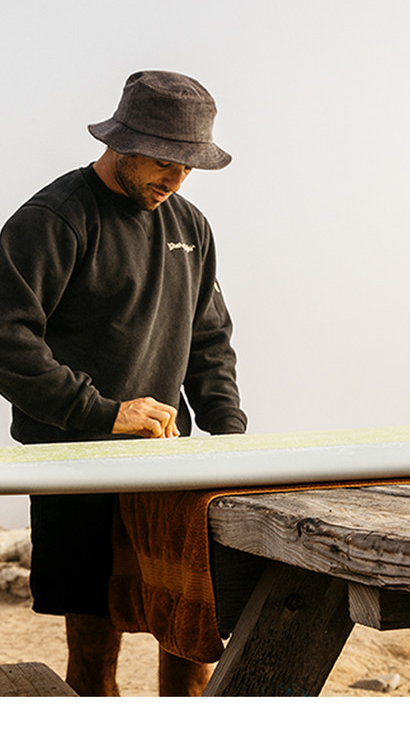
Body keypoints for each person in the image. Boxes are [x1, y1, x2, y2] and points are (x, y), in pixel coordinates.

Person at [0, 70, 247, 696]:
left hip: (167, 472)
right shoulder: (54, 218)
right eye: (164, 162)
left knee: (192, 644)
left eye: (188, 167)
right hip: (75, 468)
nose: (176, 180)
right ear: (121, 143)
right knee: (92, 661)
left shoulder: (191, 227)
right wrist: (104, 413)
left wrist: (229, 437)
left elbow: (209, 341)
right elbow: (5, 339)